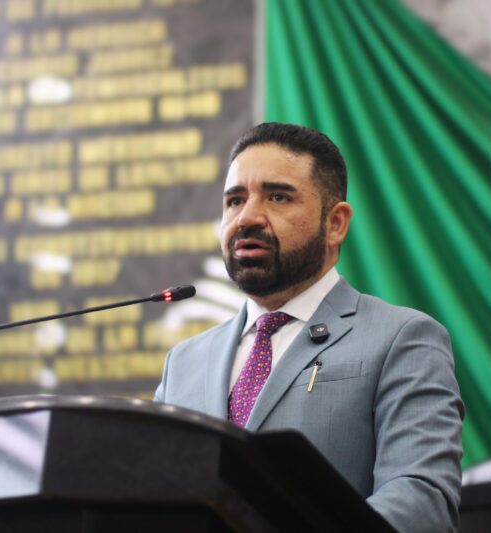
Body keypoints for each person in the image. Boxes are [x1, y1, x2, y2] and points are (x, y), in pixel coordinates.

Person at [154, 122, 464, 532]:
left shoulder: (402, 339)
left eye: (278, 197)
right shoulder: (184, 362)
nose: (247, 217)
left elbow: (421, 499)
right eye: (235, 200)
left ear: (335, 223)